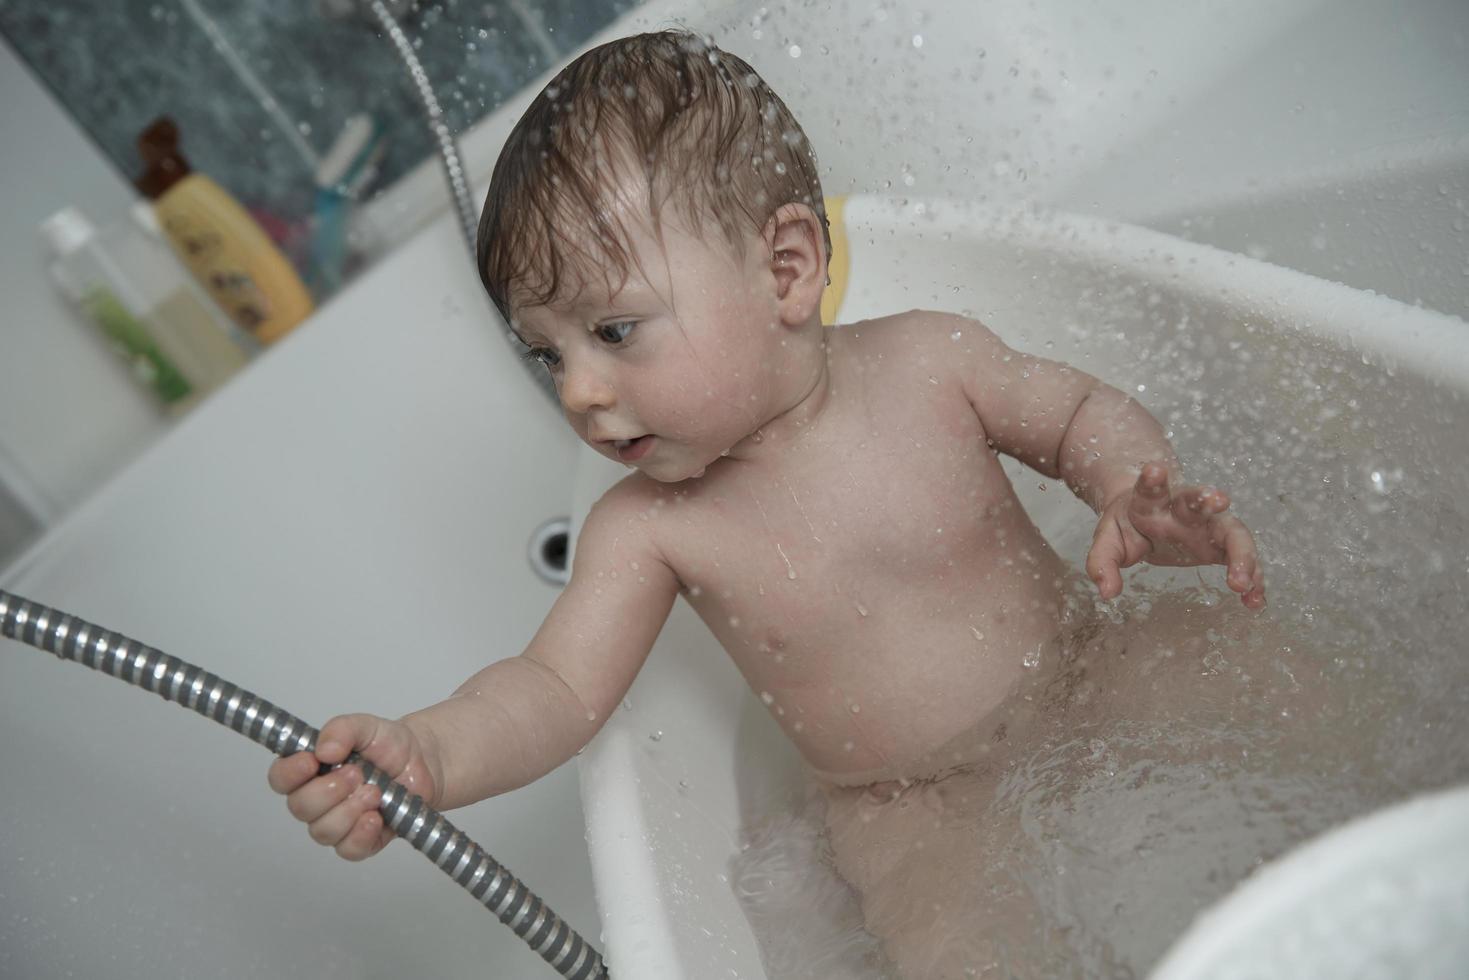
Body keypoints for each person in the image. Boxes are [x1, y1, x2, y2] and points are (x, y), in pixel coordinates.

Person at [268, 30, 1267, 977]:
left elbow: (1075, 412)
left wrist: (1125, 484)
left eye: (612, 331)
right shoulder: (650, 527)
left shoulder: (929, 361)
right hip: (910, 805)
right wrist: (431, 752)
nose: (576, 389)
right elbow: (554, 689)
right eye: (550, 351)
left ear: (783, 270)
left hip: (1087, 671)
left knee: (1283, 697)